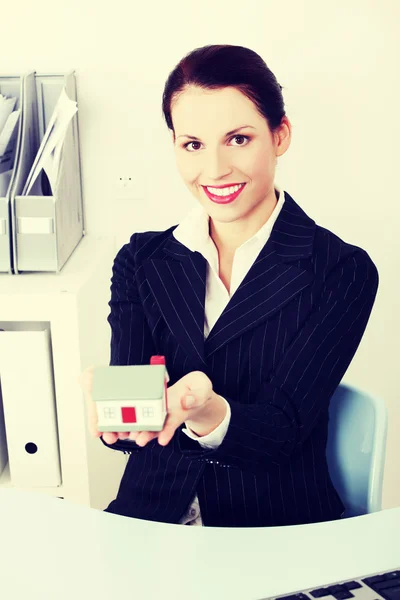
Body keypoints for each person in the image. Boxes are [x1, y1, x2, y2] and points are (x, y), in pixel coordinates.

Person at [80, 44, 379, 527]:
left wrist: (207, 411)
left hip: (273, 520)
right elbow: (136, 413)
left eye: (238, 139)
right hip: (151, 514)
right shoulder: (141, 260)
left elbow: (283, 430)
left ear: (279, 136)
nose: (215, 170)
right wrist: (120, 414)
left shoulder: (341, 270)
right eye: (193, 145)